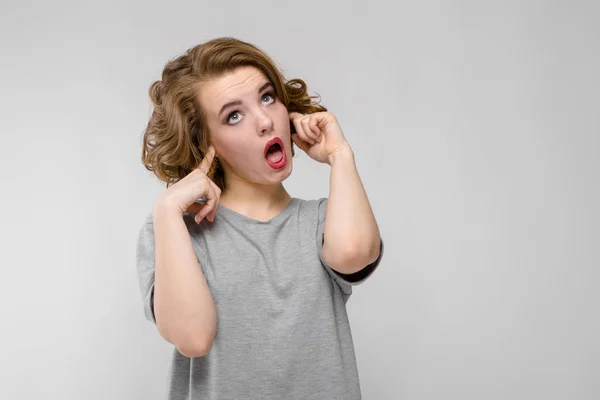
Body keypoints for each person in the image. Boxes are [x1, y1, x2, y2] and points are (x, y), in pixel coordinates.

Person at [135, 36, 384, 399]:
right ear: (206, 143)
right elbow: (193, 337)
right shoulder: (174, 231)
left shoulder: (321, 221)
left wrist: (340, 155)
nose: (266, 121)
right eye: (233, 116)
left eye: (267, 97)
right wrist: (166, 210)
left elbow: (354, 253)